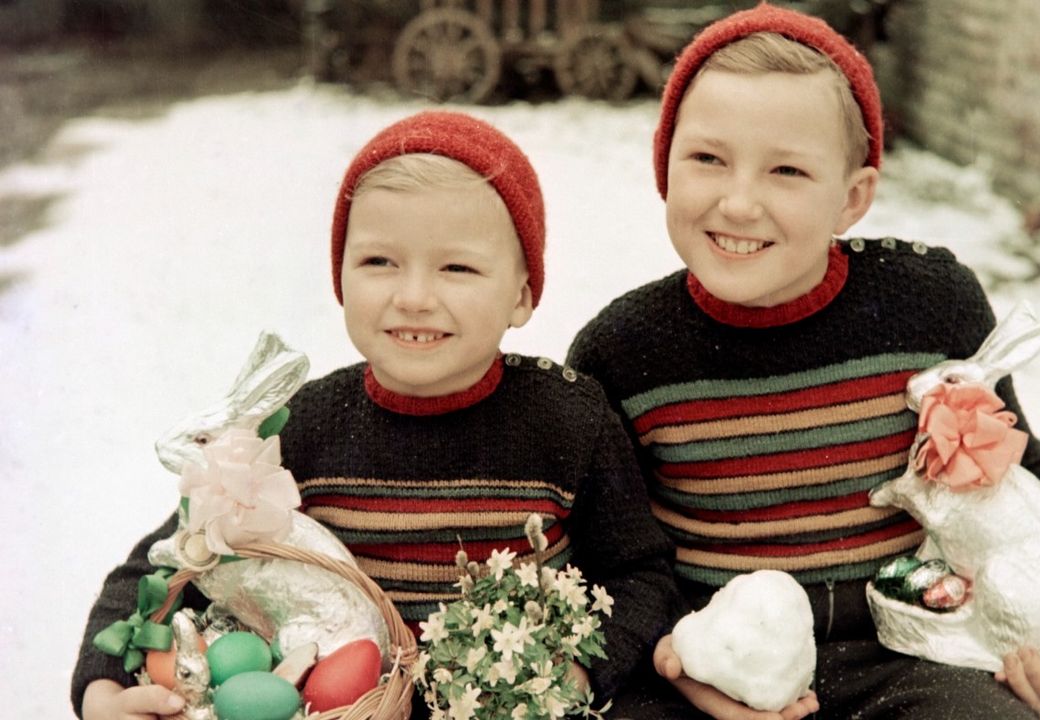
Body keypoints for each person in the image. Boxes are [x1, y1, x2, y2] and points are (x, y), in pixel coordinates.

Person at [567, 4, 1040, 719]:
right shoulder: (624, 352)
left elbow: (1015, 485)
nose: (738, 202)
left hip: (913, 656)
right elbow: (614, 562)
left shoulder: (930, 309)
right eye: (707, 158)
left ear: (852, 198)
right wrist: (671, 658)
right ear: (663, 166)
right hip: (710, 666)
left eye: (787, 170)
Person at [72, 111, 679, 719]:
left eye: (457, 267)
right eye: (379, 262)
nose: (412, 296)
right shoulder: (302, 426)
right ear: (340, 276)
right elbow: (172, 559)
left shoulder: (567, 419)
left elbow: (639, 573)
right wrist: (103, 689)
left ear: (521, 295)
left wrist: (578, 670)